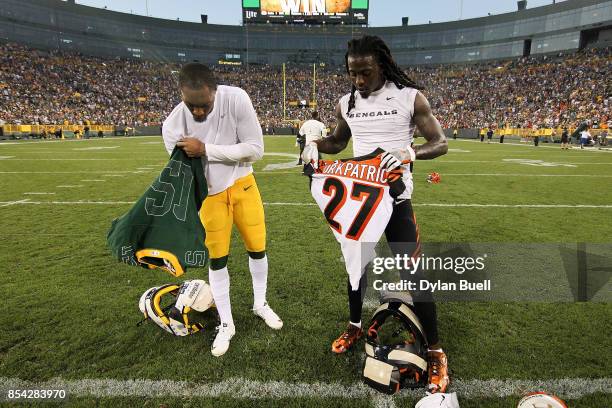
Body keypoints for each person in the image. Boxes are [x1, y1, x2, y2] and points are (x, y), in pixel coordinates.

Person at [301, 35, 449, 394]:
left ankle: (436, 351)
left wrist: (408, 154)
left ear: (381, 65)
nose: (359, 81)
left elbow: (440, 143)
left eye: (365, 72)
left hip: (395, 197)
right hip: (360, 198)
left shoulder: (409, 97)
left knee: (413, 273)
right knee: (356, 267)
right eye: (353, 74)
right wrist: (310, 144)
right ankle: (354, 325)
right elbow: (338, 142)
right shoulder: (347, 102)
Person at [162, 63, 283, 357]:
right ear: (180, 95)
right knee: (217, 260)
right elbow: (192, 175)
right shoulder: (173, 126)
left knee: (258, 249)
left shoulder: (236, 98)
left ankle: (260, 303)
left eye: (205, 104)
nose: (199, 112)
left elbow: (256, 149)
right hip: (211, 197)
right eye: (192, 105)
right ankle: (226, 323)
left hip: (243, 185)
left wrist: (207, 149)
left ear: (215, 92)